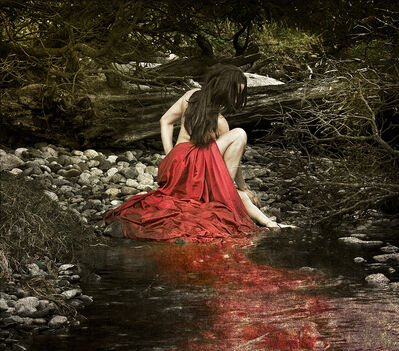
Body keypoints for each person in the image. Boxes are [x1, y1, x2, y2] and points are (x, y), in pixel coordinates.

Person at [104, 64, 292, 242]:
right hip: (192, 168)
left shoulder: (191, 96)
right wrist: (242, 187)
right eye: (236, 93)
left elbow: (165, 121)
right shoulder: (219, 121)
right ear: (225, 90)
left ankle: (270, 223)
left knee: (232, 172)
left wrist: (170, 155)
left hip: (176, 165)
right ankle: (235, 199)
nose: (236, 99)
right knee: (240, 134)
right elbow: (235, 160)